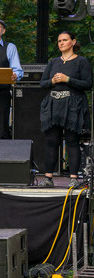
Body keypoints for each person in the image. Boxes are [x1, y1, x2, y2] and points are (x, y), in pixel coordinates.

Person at [39, 31, 92, 188]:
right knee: (51, 142)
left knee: (72, 142)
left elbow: (88, 84)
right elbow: (42, 83)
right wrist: (52, 80)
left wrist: (68, 79)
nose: (61, 43)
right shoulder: (53, 62)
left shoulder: (82, 61)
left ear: (73, 42)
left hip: (73, 106)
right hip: (54, 104)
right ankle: (48, 178)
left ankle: (73, 178)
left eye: (64, 40)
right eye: (59, 41)